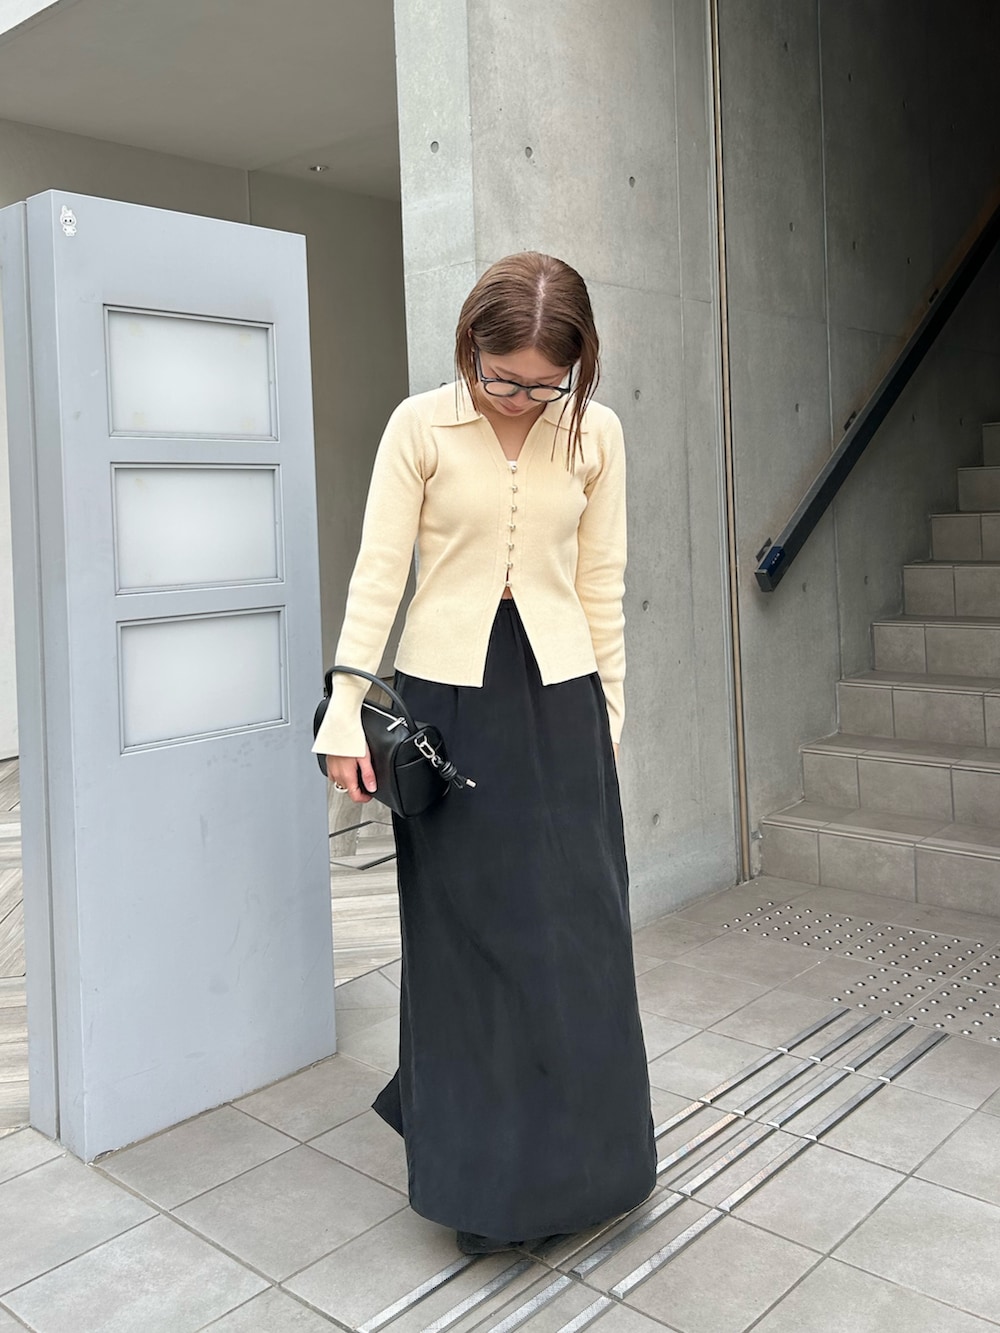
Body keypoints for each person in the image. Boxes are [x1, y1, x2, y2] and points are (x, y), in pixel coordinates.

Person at [313, 251, 656, 1255]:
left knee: (578, 936)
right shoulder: (419, 427)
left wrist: (609, 715)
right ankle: (485, 1186)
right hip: (447, 708)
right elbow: (380, 571)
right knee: (468, 943)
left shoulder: (595, 434)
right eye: (504, 379)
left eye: (546, 384)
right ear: (470, 346)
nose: (522, 399)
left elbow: (602, 582)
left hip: (563, 704)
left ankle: (592, 1171)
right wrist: (345, 709)